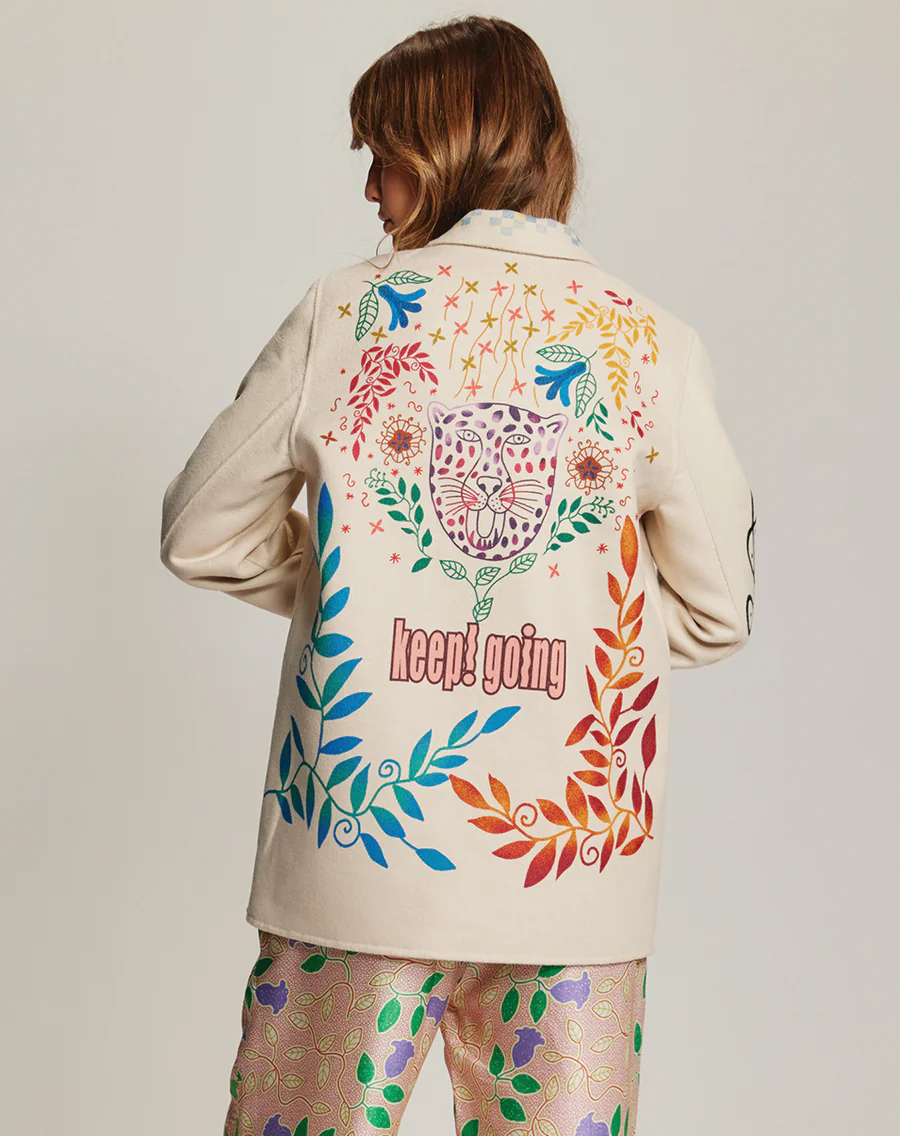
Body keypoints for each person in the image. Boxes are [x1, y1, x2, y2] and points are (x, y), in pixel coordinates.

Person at [160, 16, 755, 1136]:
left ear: (442, 152)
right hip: (574, 880)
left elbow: (202, 531)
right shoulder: (651, 344)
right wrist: (580, 623)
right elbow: (719, 609)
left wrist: (351, 592)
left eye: (381, 155)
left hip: (354, 864)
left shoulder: (345, 313)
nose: (370, 191)